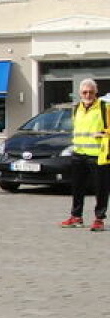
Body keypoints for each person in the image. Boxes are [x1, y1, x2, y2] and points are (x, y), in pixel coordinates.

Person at [60, 78, 109, 231]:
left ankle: (99, 219)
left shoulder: (104, 107)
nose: (87, 95)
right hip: (79, 153)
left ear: (96, 92)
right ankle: (76, 217)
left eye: (91, 92)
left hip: (98, 155)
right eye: (84, 92)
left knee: (100, 189)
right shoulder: (76, 108)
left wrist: (103, 133)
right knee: (77, 188)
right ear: (80, 93)